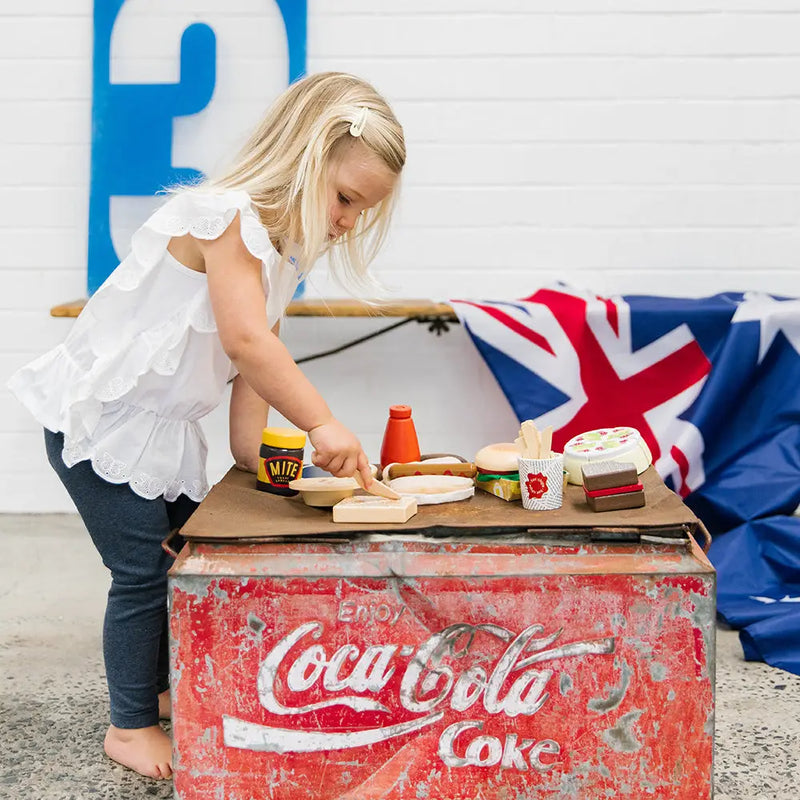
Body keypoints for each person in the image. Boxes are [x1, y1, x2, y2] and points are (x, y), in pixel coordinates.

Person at [7, 72, 405, 780]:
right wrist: (323, 425)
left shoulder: (278, 255)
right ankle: (128, 726)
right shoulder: (226, 217)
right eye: (345, 199)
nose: (347, 221)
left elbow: (251, 368)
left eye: (359, 211)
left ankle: (157, 686)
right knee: (141, 573)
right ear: (307, 156)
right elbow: (249, 342)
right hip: (104, 422)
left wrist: (253, 456)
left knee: (188, 559)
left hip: (161, 431)